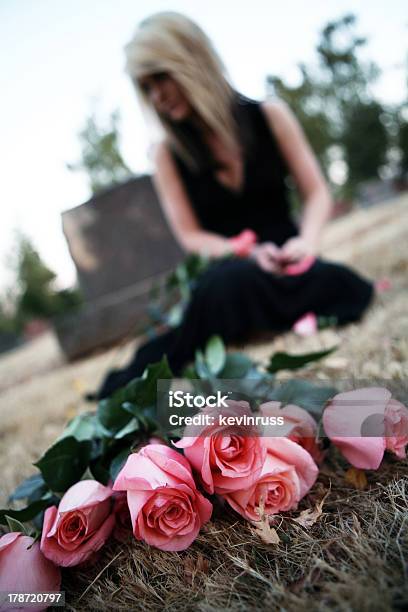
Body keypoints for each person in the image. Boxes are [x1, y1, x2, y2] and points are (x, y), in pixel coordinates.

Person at [95, 11, 373, 399]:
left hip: (287, 259)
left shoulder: (270, 116)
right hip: (231, 267)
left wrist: (306, 244)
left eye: (160, 77)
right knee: (226, 286)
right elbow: (191, 237)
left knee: (346, 287)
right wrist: (245, 251)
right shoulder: (166, 155)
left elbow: (317, 194)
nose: (156, 95)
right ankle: (259, 319)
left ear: (191, 59)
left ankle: (266, 316)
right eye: (146, 87)